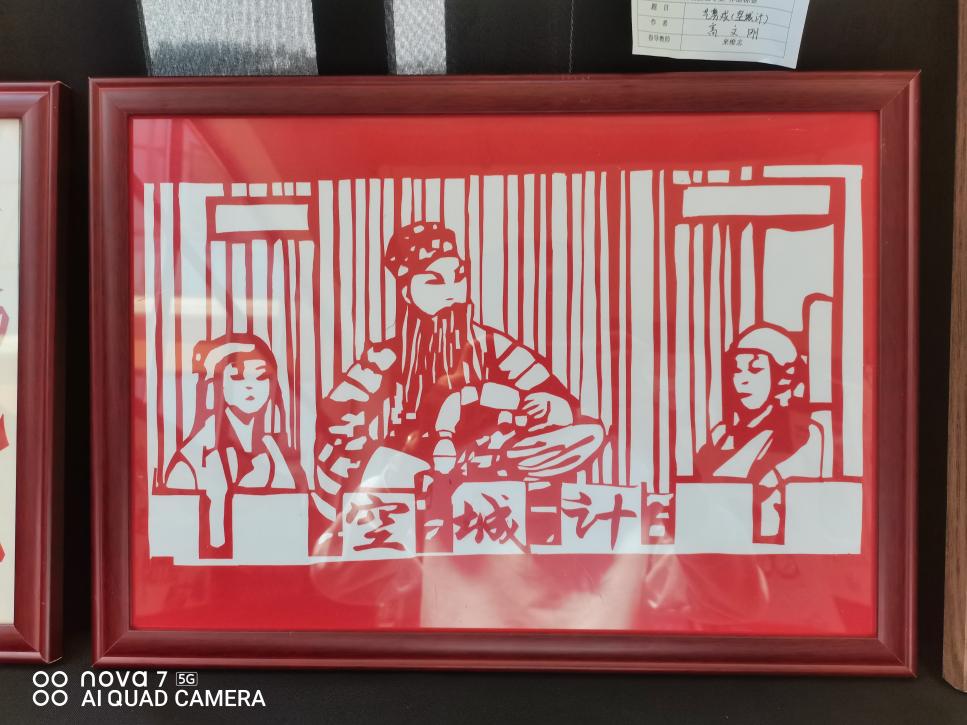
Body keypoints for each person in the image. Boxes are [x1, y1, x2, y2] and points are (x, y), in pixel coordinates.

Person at [314, 221, 604, 525]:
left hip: (491, 458)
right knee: (372, 467)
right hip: (413, 459)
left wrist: (547, 405)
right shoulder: (386, 355)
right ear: (407, 291)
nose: (452, 291)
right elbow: (336, 416)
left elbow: (561, 402)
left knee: (589, 434)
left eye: (458, 277)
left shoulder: (493, 346)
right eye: (434, 282)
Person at [164, 334, 306, 553]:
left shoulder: (276, 451)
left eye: (262, 376)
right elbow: (179, 543)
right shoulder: (191, 459)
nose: (251, 385)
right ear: (216, 384)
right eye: (237, 377)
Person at [693, 325, 823, 543]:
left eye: (755, 369)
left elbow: (774, 491)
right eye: (737, 370)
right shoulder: (720, 434)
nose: (742, 379)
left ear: (782, 377)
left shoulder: (803, 433)